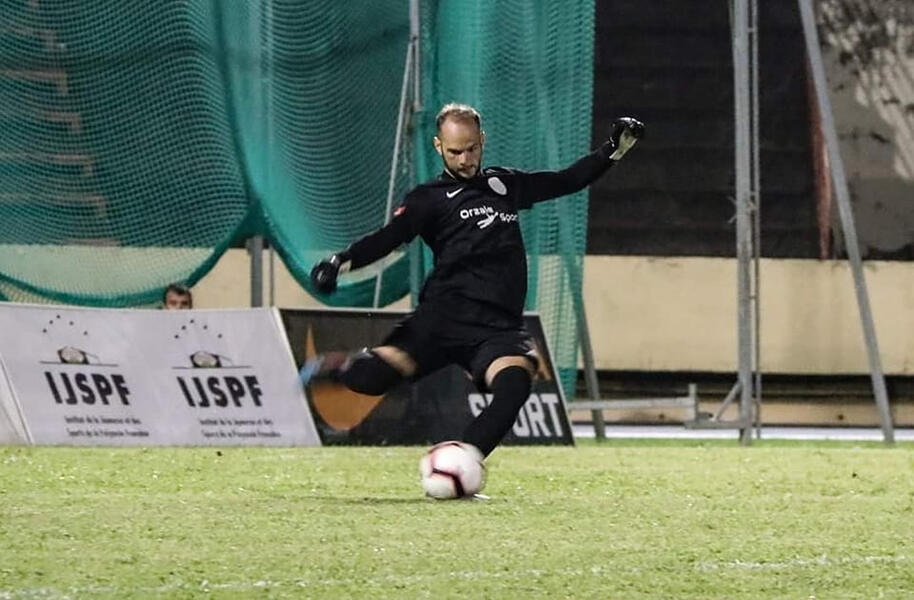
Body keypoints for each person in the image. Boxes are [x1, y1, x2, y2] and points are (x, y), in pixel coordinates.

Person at [303, 103, 643, 459]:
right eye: (454, 151)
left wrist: (613, 150)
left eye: (471, 149)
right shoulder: (428, 198)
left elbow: (566, 180)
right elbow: (388, 237)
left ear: (482, 140)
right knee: (369, 381)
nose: (465, 159)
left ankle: (463, 462)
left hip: (496, 326)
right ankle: (337, 366)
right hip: (441, 318)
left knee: (515, 385)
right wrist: (340, 261)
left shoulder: (503, 184)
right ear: (438, 147)